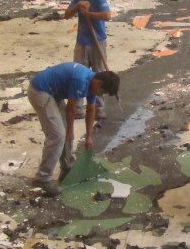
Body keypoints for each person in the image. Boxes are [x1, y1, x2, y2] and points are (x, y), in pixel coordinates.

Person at [27, 62, 120, 195]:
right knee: (58, 135)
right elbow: (71, 109)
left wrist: (89, 137)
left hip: (54, 94)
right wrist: (70, 131)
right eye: (103, 92)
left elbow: (90, 110)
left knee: (64, 133)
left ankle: (67, 168)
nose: (101, 95)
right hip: (40, 91)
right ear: (99, 83)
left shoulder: (93, 83)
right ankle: (42, 178)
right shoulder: (81, 80)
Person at [64, 0, 112, 118]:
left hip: (98, 41)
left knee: (98, 74)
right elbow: (66, 14)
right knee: (78, 74)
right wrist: (78, 7)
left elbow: (107, 16)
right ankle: (78, 108)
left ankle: (99, 108)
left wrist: (89, 14)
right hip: (82, 41)